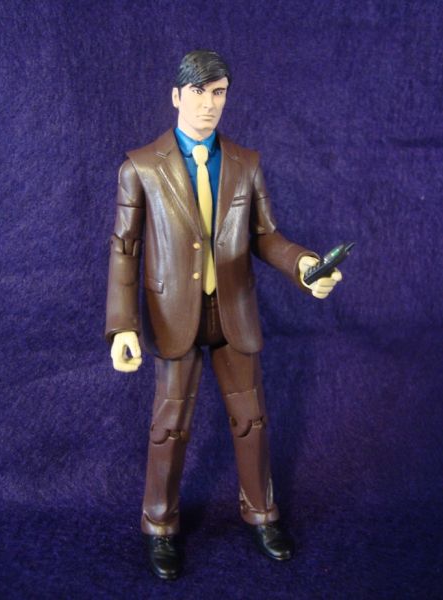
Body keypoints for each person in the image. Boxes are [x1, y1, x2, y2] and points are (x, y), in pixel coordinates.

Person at [106, 50, 342, 580]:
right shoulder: (141, 167)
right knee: (169, 426)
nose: (208, 104)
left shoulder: (244, 162)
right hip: (173, 316)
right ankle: (159, 523)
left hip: (233, 311)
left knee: (252, 421)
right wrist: (122, 326)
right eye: (198, 92)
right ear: (176, 96)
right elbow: (124, 248)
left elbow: (265, 235)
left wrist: (303, 265)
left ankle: (262, 514)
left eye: (219, 93)